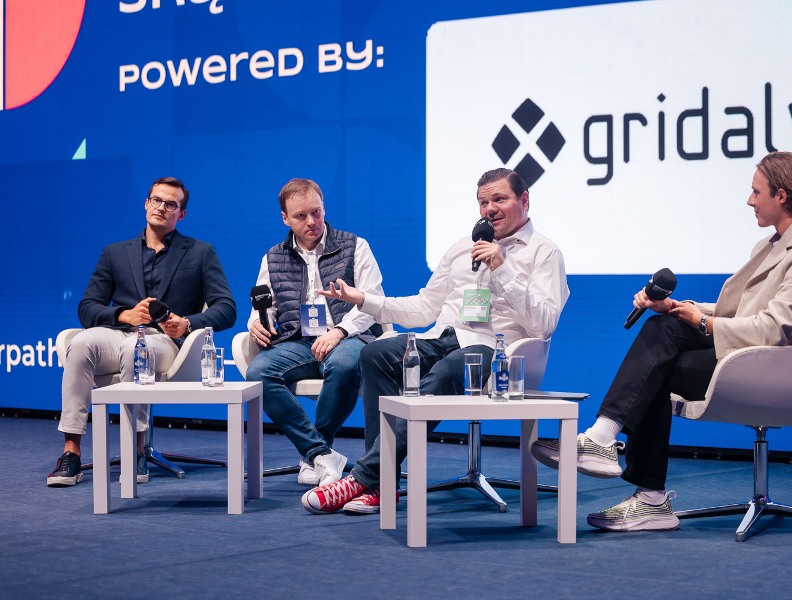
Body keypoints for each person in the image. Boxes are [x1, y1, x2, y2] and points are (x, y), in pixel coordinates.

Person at [531, 151, 792, 532]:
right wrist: (678, 307)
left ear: (782, 195)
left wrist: (702, 321)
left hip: (778, 368)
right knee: (663, 327)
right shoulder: (773, 244)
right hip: (752, 354)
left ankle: (629, 471)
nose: (749, 201)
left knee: (658, 364)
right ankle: (617, 457)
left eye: (756, 192)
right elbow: (740, 313)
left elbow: (772, 329)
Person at [300, 167, 569, 515]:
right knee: (376, 353)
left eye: (499, 199)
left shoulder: (544, 252)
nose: (490, 209)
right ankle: (382, 484)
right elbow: (426, 306)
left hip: (497, 351)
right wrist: (364, 299)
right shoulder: (462, 247)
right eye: (483, 202)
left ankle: (366, 477)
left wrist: (502, 268)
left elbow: (544, 324)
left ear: (525, 200)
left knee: (444, 372)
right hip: (442, 337)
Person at [48, 177, 237, 487]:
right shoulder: (115, 253)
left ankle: (135, 449)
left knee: (136, 350)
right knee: (81, 344)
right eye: (156, 200)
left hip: (166, 342)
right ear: (147, 204)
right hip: (120, 332)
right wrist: (123, 314)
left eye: (171, 204)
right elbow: (87, 307)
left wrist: (187, 322)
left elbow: (227, 308)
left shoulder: (200, 252)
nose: (162, 207)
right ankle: (71, 452)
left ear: (181, 214)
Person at [245, 178, 385, 487]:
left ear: (324, 208)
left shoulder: (355, 246)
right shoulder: (273, 256)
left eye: (316, 212)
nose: (311, 221)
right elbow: (263, 305)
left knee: (344, 363)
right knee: (258, 373)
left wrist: (339, 331)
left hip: (349, 336)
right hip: (298, 341)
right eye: (301, 215)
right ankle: (321, 454)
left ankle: (315, 454)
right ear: (285, 218)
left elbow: (372, 301)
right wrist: (256, 322)